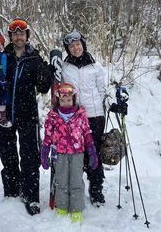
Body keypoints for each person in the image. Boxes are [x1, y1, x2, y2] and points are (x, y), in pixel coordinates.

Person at [0, 18, 54, 215]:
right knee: (7, 153)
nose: (19, 36)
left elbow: (43, 88)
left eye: (22, 33)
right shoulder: (2, 56)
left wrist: (47, 73)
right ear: (10, 37)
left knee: (29, 156)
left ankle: (31, 196)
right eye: (15, 33)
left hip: (27, 114)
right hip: (4, 113)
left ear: (27, 36)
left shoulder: (34, 58)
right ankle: (12, 191)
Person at [60, 30, 107, 207]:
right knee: (77, 155)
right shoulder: (65, 68)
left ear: (83, 45)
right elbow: (59, 90)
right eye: (71, 46)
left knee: (94, 154)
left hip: (94, 116)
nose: (75, 48)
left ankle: (96, 190)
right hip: (73, 118)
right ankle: (75, 189)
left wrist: (113, 103)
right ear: (68, 49)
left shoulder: (96, 67)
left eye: (78, 44)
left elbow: (103, 90)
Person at [41, 83, 98, 223]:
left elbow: (87, 134)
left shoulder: (81, 116)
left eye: (68, 99)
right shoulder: (53, 117)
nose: (66, 103)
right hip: (59, 153)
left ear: (74, 99)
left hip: (78, 153)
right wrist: (44, 152)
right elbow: (48, 136)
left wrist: (92, 152)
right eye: (62, 100)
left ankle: (76, 209)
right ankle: (62, 207)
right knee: (61, 181)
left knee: (76, 181)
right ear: (58, 101)